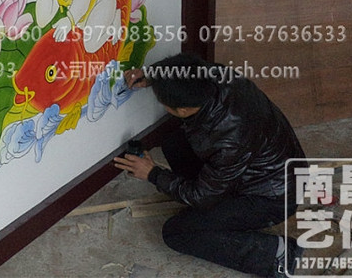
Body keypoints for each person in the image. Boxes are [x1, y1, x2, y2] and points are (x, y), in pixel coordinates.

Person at [114, 53, 306, 277]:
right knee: (173, 142)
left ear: (183, 110)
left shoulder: (229, 140)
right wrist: (153, 76)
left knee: (177, 232)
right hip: (263, 169)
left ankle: (276, 254)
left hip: (272, 198)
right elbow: (187, 67)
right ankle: (210, 212)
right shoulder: (219, 76)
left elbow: (201, 195)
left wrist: (153, 174)